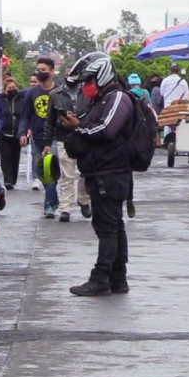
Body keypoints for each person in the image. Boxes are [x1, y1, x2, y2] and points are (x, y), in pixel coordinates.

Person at [61, 53, 134, 297]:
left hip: (110, 173)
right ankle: (117, 278)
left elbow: (106, 129)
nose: (86, 86)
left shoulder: (117, 98)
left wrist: (77, 127)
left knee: (107, 227)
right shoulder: (104, 100)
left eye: (88, 80)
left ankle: (101, 277)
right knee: (113, 225)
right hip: (102, 171)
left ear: (101, 76)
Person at [44, 73, 91, 223]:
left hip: (84, 137)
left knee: (86, 172)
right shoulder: (55, 95)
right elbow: (49, 120)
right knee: (67, 175)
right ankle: (65, 208)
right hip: (64, 138)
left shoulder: (88, 93)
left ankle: (83, 199)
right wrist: (47, 143)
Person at [19, 57, 59, 218]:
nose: (40, 72)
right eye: (38, 69)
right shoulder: (32, 93)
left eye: (43, 69)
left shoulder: (59, 92)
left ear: (51, 71)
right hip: (37, 137)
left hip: (56, 137)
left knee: (50, 169)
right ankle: (53, 198)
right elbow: (26, 115)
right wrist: (22, 133)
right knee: (40, 171)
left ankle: (49, 205)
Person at [0, 78, 26, 190]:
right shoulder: (0, 101)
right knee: (6, 158)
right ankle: (7, 180)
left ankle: (13, 179)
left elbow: (24, 116)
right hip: (4, 134)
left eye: (14, 88)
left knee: (15, 157)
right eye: (10, 88)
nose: (12, 90)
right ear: (5, 90)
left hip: (17, 135)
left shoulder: (22, 100)